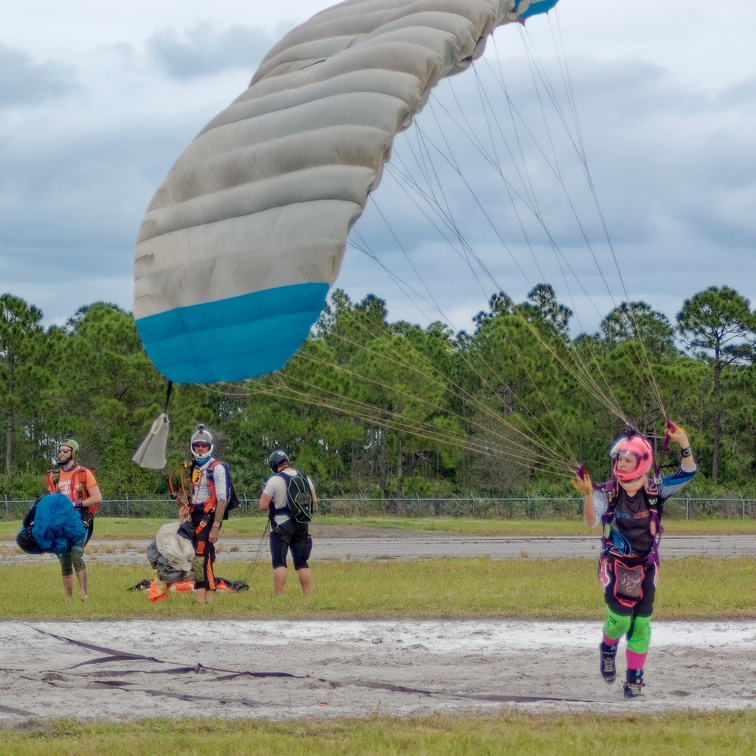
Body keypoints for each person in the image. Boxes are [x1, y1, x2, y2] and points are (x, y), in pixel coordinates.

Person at [573, 420, 697, 699]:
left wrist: (683, 442)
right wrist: (587, 495)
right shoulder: (607, 491)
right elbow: (591, 521)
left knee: (640, 624)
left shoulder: (656, 490)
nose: (622, 463)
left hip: (646, 566)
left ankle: (634, 681)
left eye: (628, 459)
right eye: (620, 458)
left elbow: (688, 473)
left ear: (641, 461)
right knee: (619, 621)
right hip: (616, 564)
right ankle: (608, 646)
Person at [44, 437, 102, 601]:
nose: (61, 454)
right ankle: (68, 599)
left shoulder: (85, 474)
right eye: (60, 451)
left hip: (80, 520)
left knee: (76, 556)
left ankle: (84, 595)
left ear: (73, 453)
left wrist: (77, 503)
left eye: (65, 451)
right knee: (64, 559)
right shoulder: (54, 476)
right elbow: (50, 500)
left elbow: (97, 497)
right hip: (60, 524)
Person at [178, 425, 228, 604]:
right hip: (196, 516)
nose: (200, 448)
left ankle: (201, 599)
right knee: (204, 557)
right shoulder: (193, 467)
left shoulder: (217, 468)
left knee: (201, 558)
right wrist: (186, 507)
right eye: (197, 445)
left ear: (209, 447)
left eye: (204, 446)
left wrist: (216, 526)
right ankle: (208, 599)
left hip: (210, 516)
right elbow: (195, 492)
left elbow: (222, 500)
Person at [259, 450, 316, 597]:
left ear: (273, 465)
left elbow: (263, 505)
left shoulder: (274, 480)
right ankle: (307, 596)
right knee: (302, 562)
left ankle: (278, 596)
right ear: (287, 461)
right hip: (302, 523)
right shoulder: (304, 477)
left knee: (279, 563)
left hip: (281, 525)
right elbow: (313, 500)